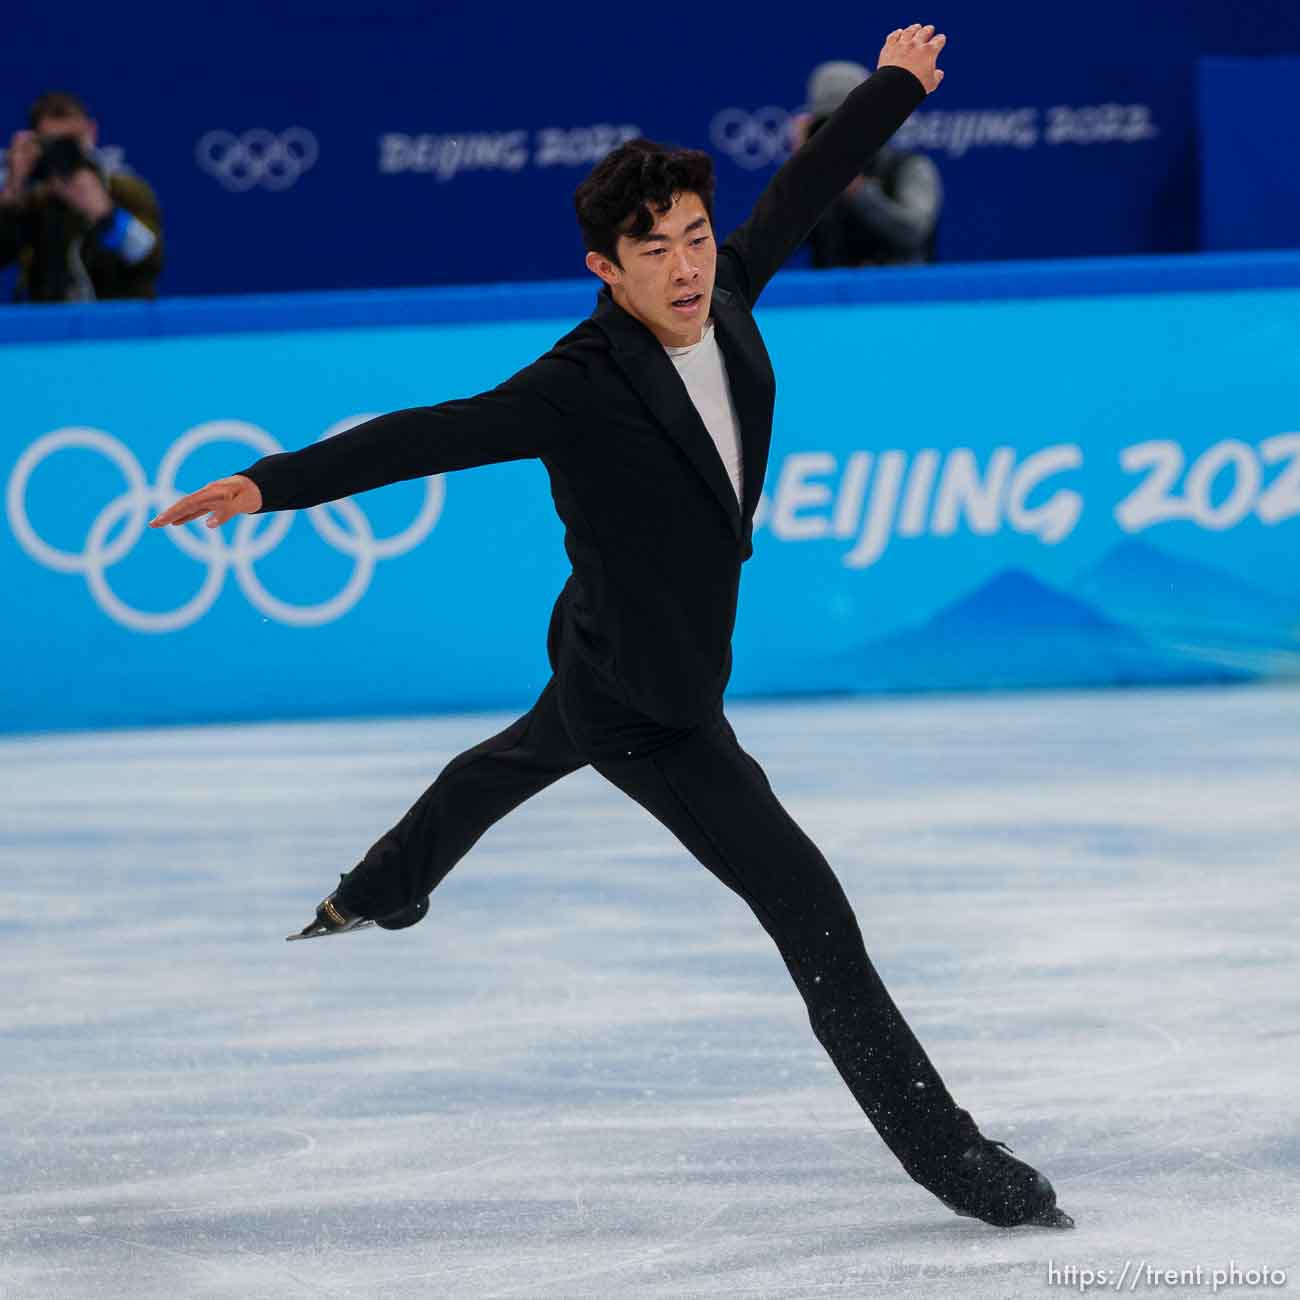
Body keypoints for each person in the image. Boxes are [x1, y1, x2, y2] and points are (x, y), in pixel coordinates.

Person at [150, 25, 1072, 1231]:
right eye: (657, 250)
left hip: (610, 641)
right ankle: (962, 1166)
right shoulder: (576, 386)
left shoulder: (732, 296)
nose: (687, 267)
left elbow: (800, 187)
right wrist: (273, 481)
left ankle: (380, 886)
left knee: (516, 756)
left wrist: (893, 83)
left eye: (695, 237)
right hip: (652, 707)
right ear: (606, 268)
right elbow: (428, 433)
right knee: (813, 915)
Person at [0, 90, 162, 302]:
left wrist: (107, 215)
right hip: (50, 323)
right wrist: (12, 189)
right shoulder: (33, 201)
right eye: (54, 144)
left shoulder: (127, 192)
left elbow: (150, 260)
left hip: (119, 321)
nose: (64, 152)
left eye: (72, 142)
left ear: (91, 133)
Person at [798, 59, 943, 267]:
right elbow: (773, 245)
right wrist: (800, 169)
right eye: (829, 124)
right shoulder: (814, 176)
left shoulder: (908, 168)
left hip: (901, 293)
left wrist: (857, 191)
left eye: (850, 121)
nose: (839, 134)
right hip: (833, 295)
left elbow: (914, 230)